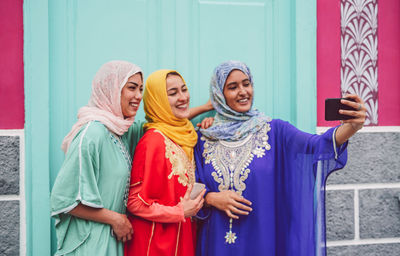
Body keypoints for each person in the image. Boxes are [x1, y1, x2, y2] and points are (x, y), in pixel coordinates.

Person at [194, 60, 366, 256]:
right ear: (219, 95)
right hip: (216, 243)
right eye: (232, 87)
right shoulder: (203, 138)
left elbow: (317, 145)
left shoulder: (275, 131)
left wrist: (352, 127)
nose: (243, 91)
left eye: (246, 83)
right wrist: (211, 198)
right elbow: (190, 187)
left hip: (263, 241)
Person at [51, 60, 144, 255]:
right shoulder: (92, 133)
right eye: (132, 88)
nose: (138, 96)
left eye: (141, 90)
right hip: (89, 245)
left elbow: (163, 125)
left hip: (111, 242)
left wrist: (204, 115)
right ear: (111, 89)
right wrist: (116, 219)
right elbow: (63, 199)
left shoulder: (121, 131)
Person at [125, 69, 208, 256]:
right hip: (155, 244)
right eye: (172, 93)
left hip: (183, 238)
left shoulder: (186, 135)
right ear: (158, 101)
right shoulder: (153, 141)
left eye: (184, 89)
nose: (182, 97)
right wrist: (179, 212)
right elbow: (134, 201)